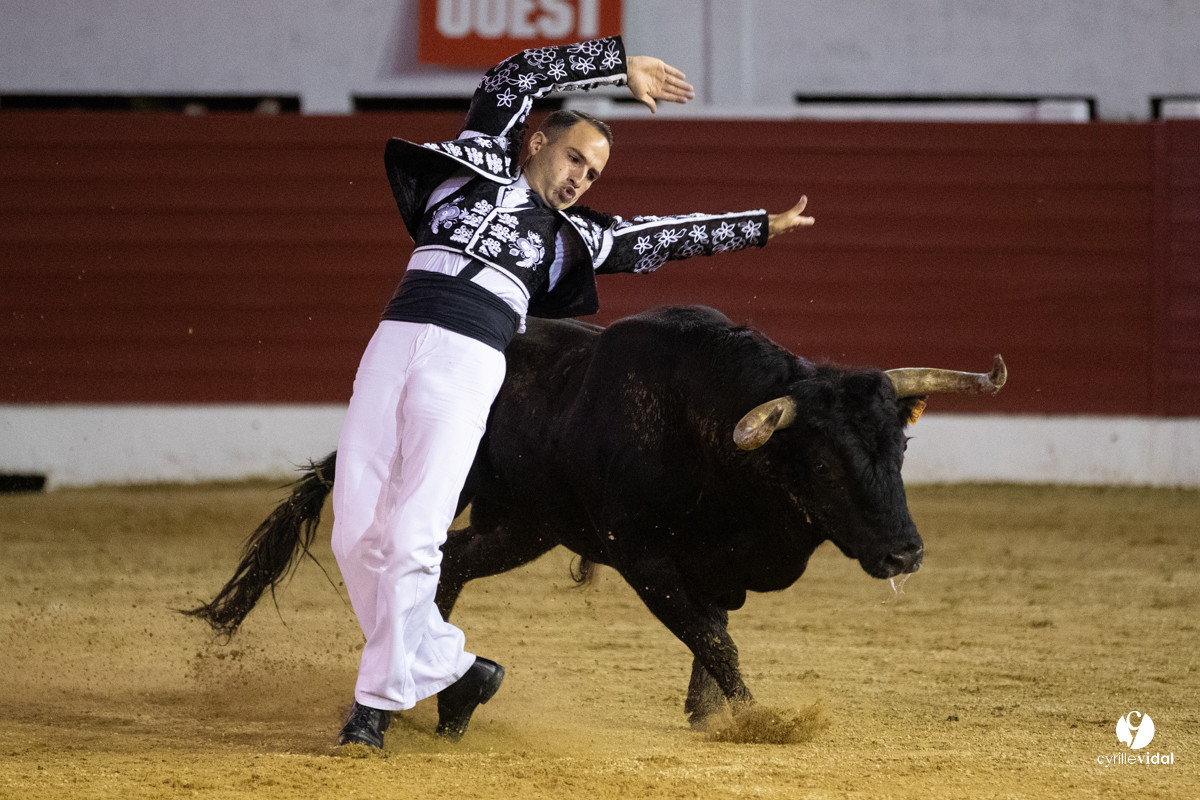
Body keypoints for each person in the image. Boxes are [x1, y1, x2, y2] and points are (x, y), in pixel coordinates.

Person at [331, 35, 814, 749]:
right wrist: (619, 68)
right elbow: (516, 73)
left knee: (413, 537)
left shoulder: (578, 238)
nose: (582, 179)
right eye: (574, 159)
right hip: (393, 340)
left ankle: (372, 708)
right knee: (354, 533)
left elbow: (665, 238)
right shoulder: (479, 164)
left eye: (593, 174)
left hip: (467, 361)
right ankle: (454, 669)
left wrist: (758, 229)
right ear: (535, 142)